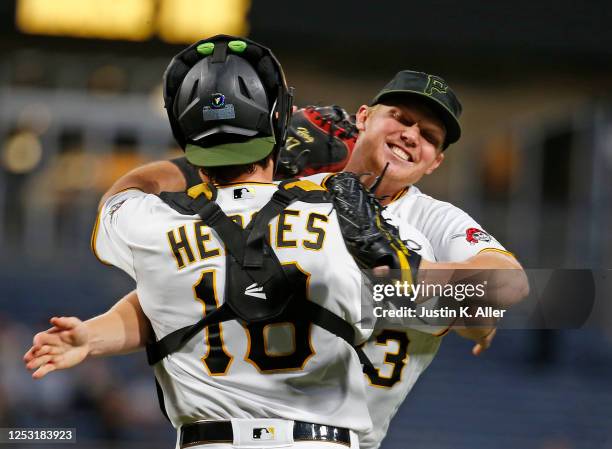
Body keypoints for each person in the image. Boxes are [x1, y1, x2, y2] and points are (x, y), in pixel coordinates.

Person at [25, 67, 529, 449]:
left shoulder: (433, 223)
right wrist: (95, 334)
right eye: (402, 117)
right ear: (364, 118)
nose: (411, 135)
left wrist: (432, 291)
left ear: (437, 161)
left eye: (429, 136)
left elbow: (510, 287)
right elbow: (191, 284)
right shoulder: (277, 191)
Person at [26, 34, 391, 449]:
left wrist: (93, 336)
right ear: (277, 121)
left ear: (184, 132)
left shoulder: (155, 225)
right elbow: (469, 299)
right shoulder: (341, 211)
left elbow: (127, 191)